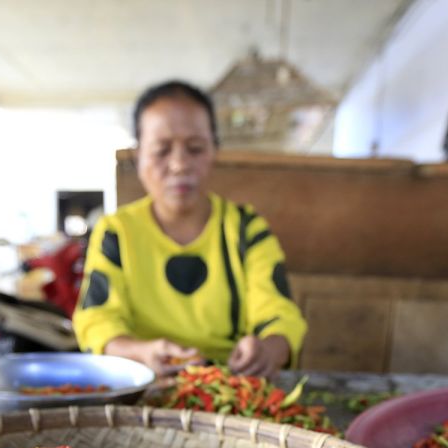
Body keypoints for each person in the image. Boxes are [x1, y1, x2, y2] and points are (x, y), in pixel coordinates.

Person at [72, 80, 306, 378]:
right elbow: (96, 321)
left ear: (214, 151)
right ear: (138, 155)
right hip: (143, 382)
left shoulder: (245, 229)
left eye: (195, 149)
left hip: (232, 384)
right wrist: (140, 352)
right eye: (161, 150)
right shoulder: (116, 232)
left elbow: (280, 314)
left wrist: (267, 349)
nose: (180, 164)